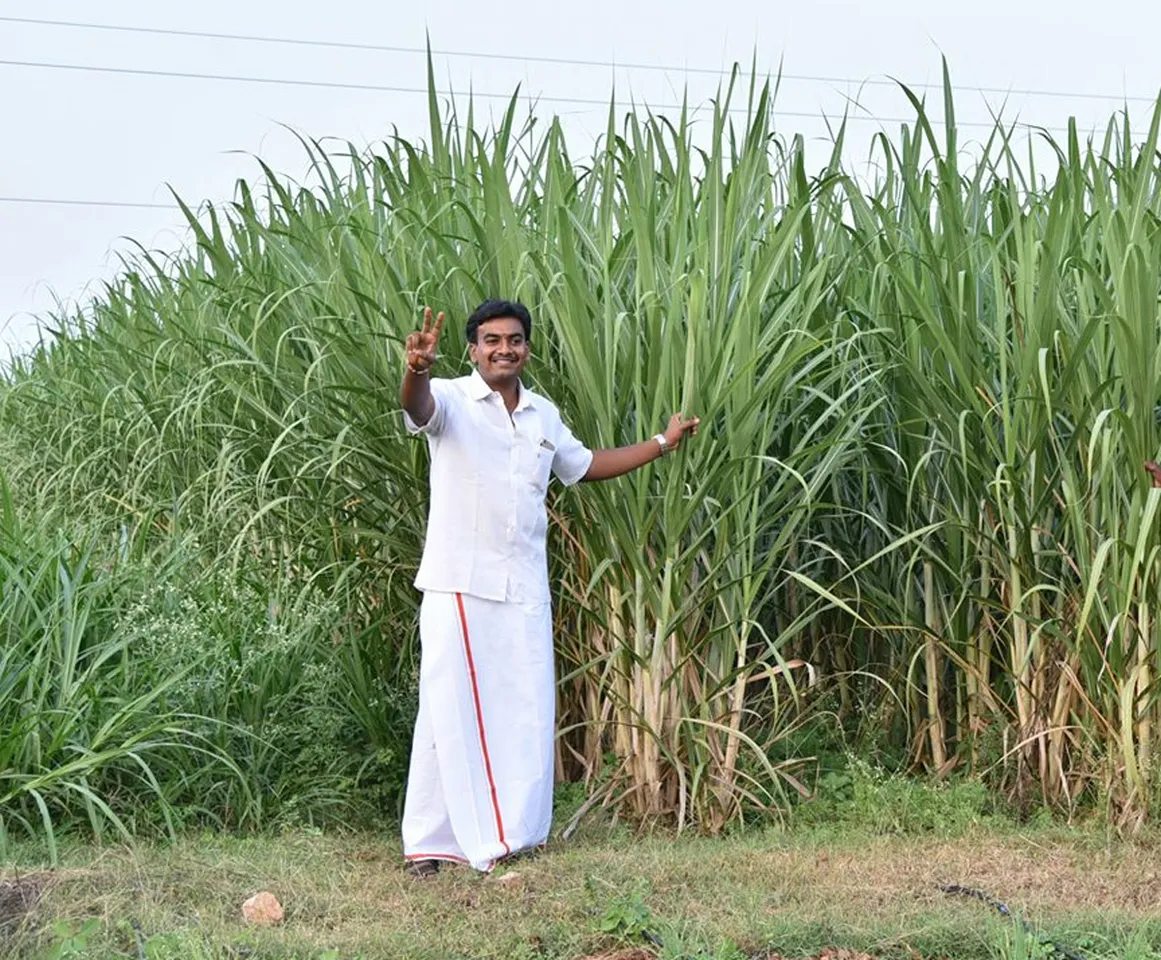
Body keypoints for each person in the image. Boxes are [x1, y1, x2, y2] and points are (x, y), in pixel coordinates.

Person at [399, 299, 699, 877]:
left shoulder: (541, 414)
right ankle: (434, 844)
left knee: (523, 708)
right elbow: (419, 408)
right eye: (491, 340)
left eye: (513, 339)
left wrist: (662, 444)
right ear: (473, 349)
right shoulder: (454, 400)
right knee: (447, 710)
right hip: (460, 583)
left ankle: (513, 833)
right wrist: (417, 369)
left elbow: (584, 465)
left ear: (526, 348)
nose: (503, 349)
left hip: (523, 585)